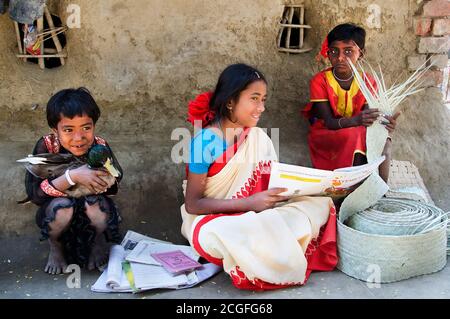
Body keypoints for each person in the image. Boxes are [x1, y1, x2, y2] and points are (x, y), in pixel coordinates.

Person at [180, 63, 337, 290]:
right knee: (236, 232)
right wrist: (250, 202)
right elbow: (193, 205)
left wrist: (294, 191)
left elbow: (267, 181)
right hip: (212, 219)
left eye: (263, 99)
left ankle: (272, 242)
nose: (261, 107)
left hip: (257, 212)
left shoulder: (256, 137)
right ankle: (274, 245)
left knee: (319, 204)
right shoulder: (205, 142)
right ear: (230, 101)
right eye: (254, 98)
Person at [24, 87, 123, 274]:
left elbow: (116, 181)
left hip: (91, 207)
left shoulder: (100, 146)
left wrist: (99, 180)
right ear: (55, 130)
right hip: (58, 210)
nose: (79, 138)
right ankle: (55, 246)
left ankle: (98, 241)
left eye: (86, 127)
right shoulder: (46, 145)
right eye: (68, 130)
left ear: (94, 125)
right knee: (63, 206)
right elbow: (35, 195)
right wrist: (73, 176)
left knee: (96, 204)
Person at [302, 23, 400, 182]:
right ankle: (349, 189)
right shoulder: (320, 81)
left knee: (384, 141)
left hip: (358, 131)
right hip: (327, 133)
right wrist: (356, 120)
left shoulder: (369, 81)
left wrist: (386, 126)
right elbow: (328, 123)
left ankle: (380, 190)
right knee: (354, 134)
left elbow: (371, 120)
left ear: (361, 54)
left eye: (348, 51)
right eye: (334, 51)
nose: (340, 57)